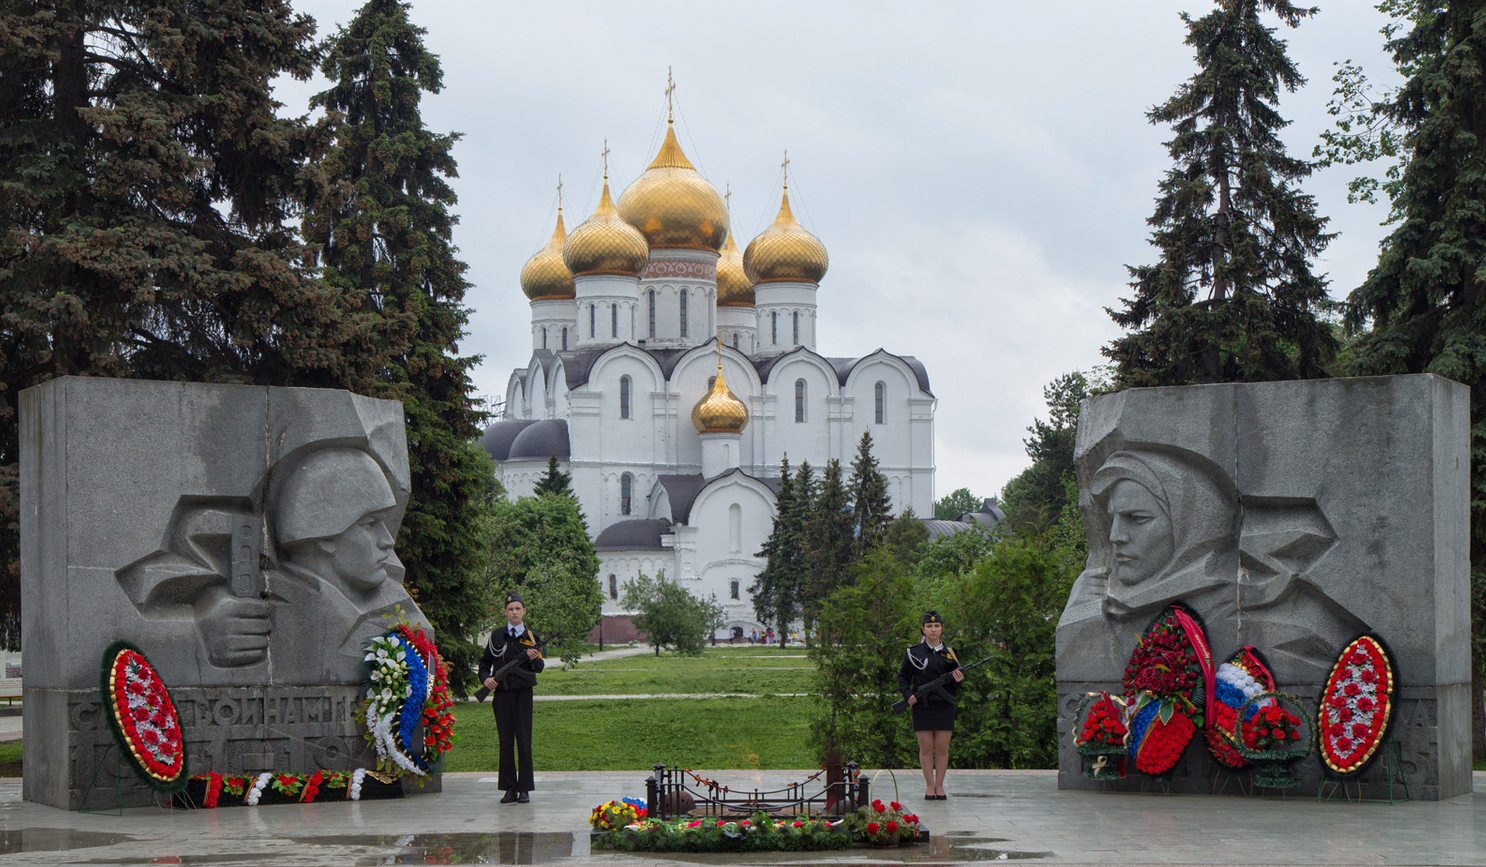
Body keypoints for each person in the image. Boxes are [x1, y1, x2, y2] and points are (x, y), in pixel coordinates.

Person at [479, 592, 544, 804]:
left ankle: (524, 788)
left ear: (524, 611)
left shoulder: (531, 638)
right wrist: (486, 679)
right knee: (505, 742)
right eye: (510, 609)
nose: (514, 612)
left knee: (524, 741)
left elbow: (539, 668)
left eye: (518, 608)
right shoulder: (496, 636)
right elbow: (484, 664)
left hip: (523, 695)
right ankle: (509, 788)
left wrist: (534, 660)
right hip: (502, 696)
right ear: (505, 612)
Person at [898, 611, 963, 800]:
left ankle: (940, 786)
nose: (933, 629)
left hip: (944, 705)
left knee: (942, 747)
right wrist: (908, 694)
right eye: (929, 626)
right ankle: (929, 786)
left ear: (941, 629)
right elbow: (903, 677)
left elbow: (956, 683)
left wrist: (958, 680)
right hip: (922, 706)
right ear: (923, 629)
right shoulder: (913, 653)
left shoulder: (950, 653)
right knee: (926, 747)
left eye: (936, 626)